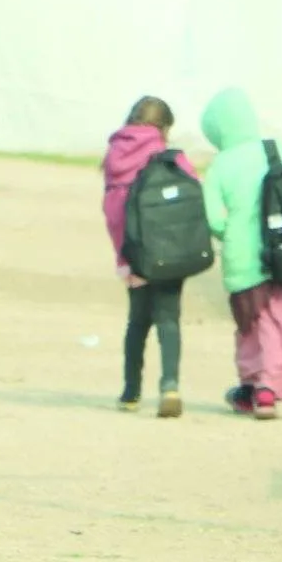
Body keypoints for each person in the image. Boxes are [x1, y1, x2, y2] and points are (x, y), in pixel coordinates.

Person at [201, 88, 282, 419]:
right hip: (281, 253)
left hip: (241, 260)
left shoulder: (220, 165)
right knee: (277, 321)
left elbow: (213, 218)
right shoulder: (276, 150)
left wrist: (232, 233)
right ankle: (269, 385)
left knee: (249, 325)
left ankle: (254, 385)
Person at [102, 95, 194, 418]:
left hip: (134, 253)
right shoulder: (171, 156)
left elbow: (113, 211)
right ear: (164, 127)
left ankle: (131, 392)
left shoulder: (115, 154)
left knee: (137, 322)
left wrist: (123, 255)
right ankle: (170, 385)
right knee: (169, 320)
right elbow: (192, 199)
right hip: (170, 253)